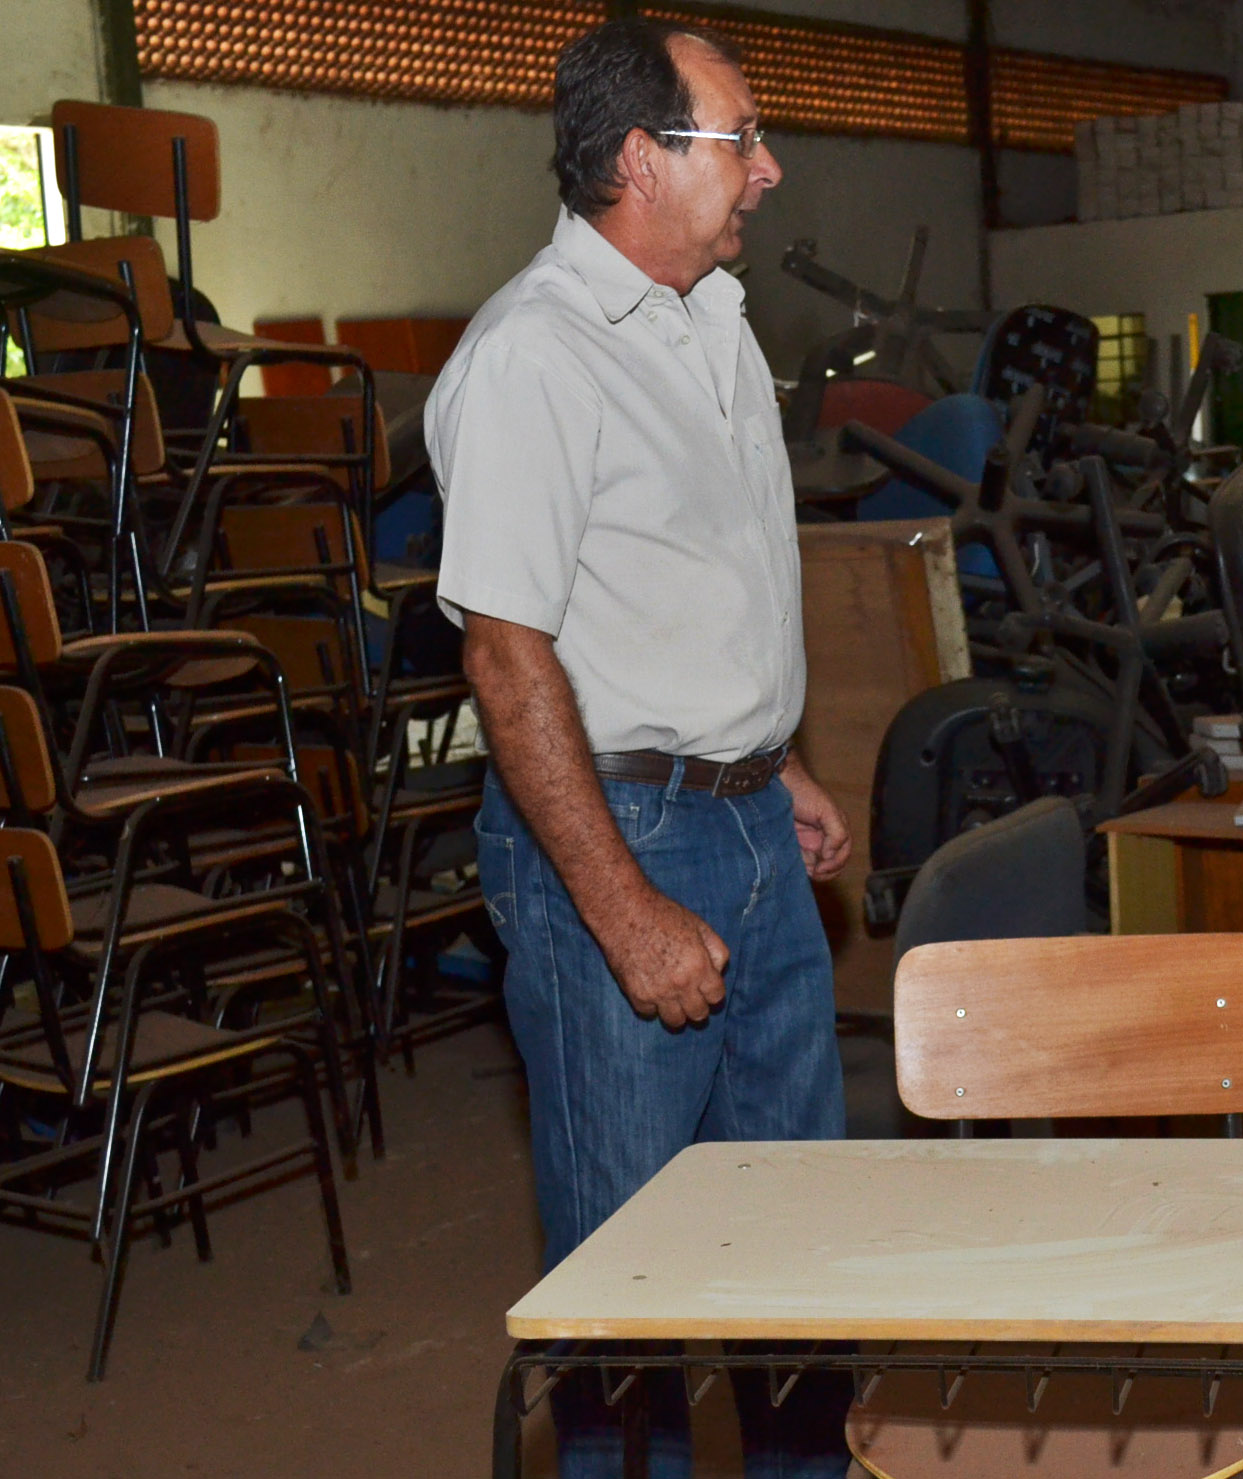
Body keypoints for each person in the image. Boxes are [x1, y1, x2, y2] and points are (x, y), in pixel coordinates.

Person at [425, 16, 853, 1478]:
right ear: (639, 161)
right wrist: (620, 910)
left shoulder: (711, 317)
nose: (768, 168)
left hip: (741, 825)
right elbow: (507, 655)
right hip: (619, 842)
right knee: (634, 1286)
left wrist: (768, 759)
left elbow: (688, 576)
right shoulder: (534, 358)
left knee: (796, 1257)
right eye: (742, 138)